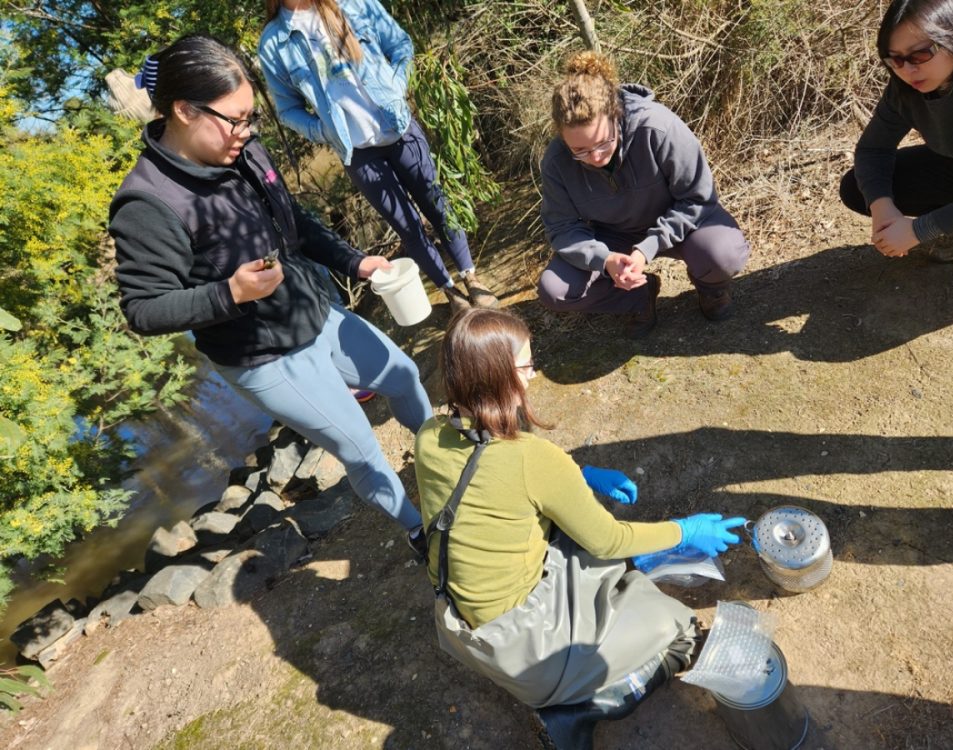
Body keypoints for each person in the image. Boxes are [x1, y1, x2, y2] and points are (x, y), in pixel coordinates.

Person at [109, 34, 432, 554]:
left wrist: (354, 260)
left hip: (316, 310)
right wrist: (229, 293)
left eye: (251, 116)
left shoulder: (242, 148)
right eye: (236, 119)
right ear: (184, 111)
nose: (247, 130)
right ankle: (421, 532)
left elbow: (294, 221)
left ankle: (451, 460)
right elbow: (142, 309)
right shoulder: (148, 204)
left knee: (404, 376)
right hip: (267, 358)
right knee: (362, 450)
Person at [414, 308, 745, 749]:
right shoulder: (531, 458)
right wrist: (685, 531)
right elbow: (608, 538)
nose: (533, 374)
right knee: (680, 630)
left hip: (464, 621)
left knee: (580, 538)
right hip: (527, 644)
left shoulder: (428, 434)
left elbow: (499, 485)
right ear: (495, 375)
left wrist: (578, 473)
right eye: (526, 365)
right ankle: (576, 712)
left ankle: (587, 646)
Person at [257, 0, 499, 314]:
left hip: (401, 131)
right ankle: (450, 292)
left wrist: (397, 87)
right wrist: (324, 132)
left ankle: (471, 278)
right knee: (408, 228)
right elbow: (287, 109)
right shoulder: (273, 42)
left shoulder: (355, 4)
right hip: (358, 155)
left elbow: (400, 45)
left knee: (438, 207)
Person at [538, 52, 751, 338]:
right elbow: (561, 227)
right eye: (580, 151)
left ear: (616, 114)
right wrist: (605, 260)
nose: (596, 157)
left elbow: (698, 197)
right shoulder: (555, 162)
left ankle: (710, 287)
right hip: (613, 237)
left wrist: (647, 247)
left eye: (603, 143)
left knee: (724, 254)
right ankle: (639, 297)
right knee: (554, 290)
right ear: (562, 137)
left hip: (679, 225)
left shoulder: (659, 128)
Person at [840, 0, 953, 264]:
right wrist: (883, 209)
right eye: (895, 59)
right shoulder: (907, 82)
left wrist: (920, 229)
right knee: (859, 189)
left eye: (920, 54)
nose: (907, 70)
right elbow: (873, 149)